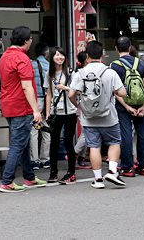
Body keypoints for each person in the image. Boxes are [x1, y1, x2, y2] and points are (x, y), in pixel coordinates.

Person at [67, 40, 126, 189]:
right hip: (109, 116)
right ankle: (112, 171)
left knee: (94, 146)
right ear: (102, 55)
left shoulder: (80, 73)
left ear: (87, 56)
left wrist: (78, 105)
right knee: (114, 142)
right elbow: (122, 93)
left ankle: (98, 180)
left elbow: (71, 94)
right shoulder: (110, 72)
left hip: (88, 117)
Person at [0, 26, 47, 192]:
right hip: (21, 106)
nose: (31, 41)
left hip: (8, 105)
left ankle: (29, 177)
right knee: (18, 144)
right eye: (30, 39)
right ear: (26, 41)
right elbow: (27, 87)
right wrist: (36, 110)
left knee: (23, 143)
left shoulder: (4, 57)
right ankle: (7, 181)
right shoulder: (22, 59)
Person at [110, 36, 144, 177]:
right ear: (129, 48)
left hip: (123, 105)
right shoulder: (140, 64)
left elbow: (114, 90)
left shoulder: (114, 65)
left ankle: (127, 167)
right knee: (143, 134)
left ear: (116, 49)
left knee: (126, 134)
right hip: (140, 103)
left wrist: (126, 106)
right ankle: (143, 165)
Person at [44, 47, 78, 184]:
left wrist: (66, 88)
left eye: (62, 55)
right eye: (57, 55)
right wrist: (47, 112)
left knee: (69, 142)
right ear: (52, 57)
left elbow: (77, 91)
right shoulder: (49, 74)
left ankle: (71, 172)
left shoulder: (71, 73)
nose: (59, 57)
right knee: (54, 142)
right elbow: (49, 94)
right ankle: (53, 172)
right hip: (55, 113)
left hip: (69, 112)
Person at [29, 42, 51, 169]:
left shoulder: (31, 65)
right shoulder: (49, 65)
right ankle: (45, 159)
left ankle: (34, 160)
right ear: (47, 53)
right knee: (46, 128)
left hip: (35, 101)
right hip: (46, 101)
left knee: (34, 130)